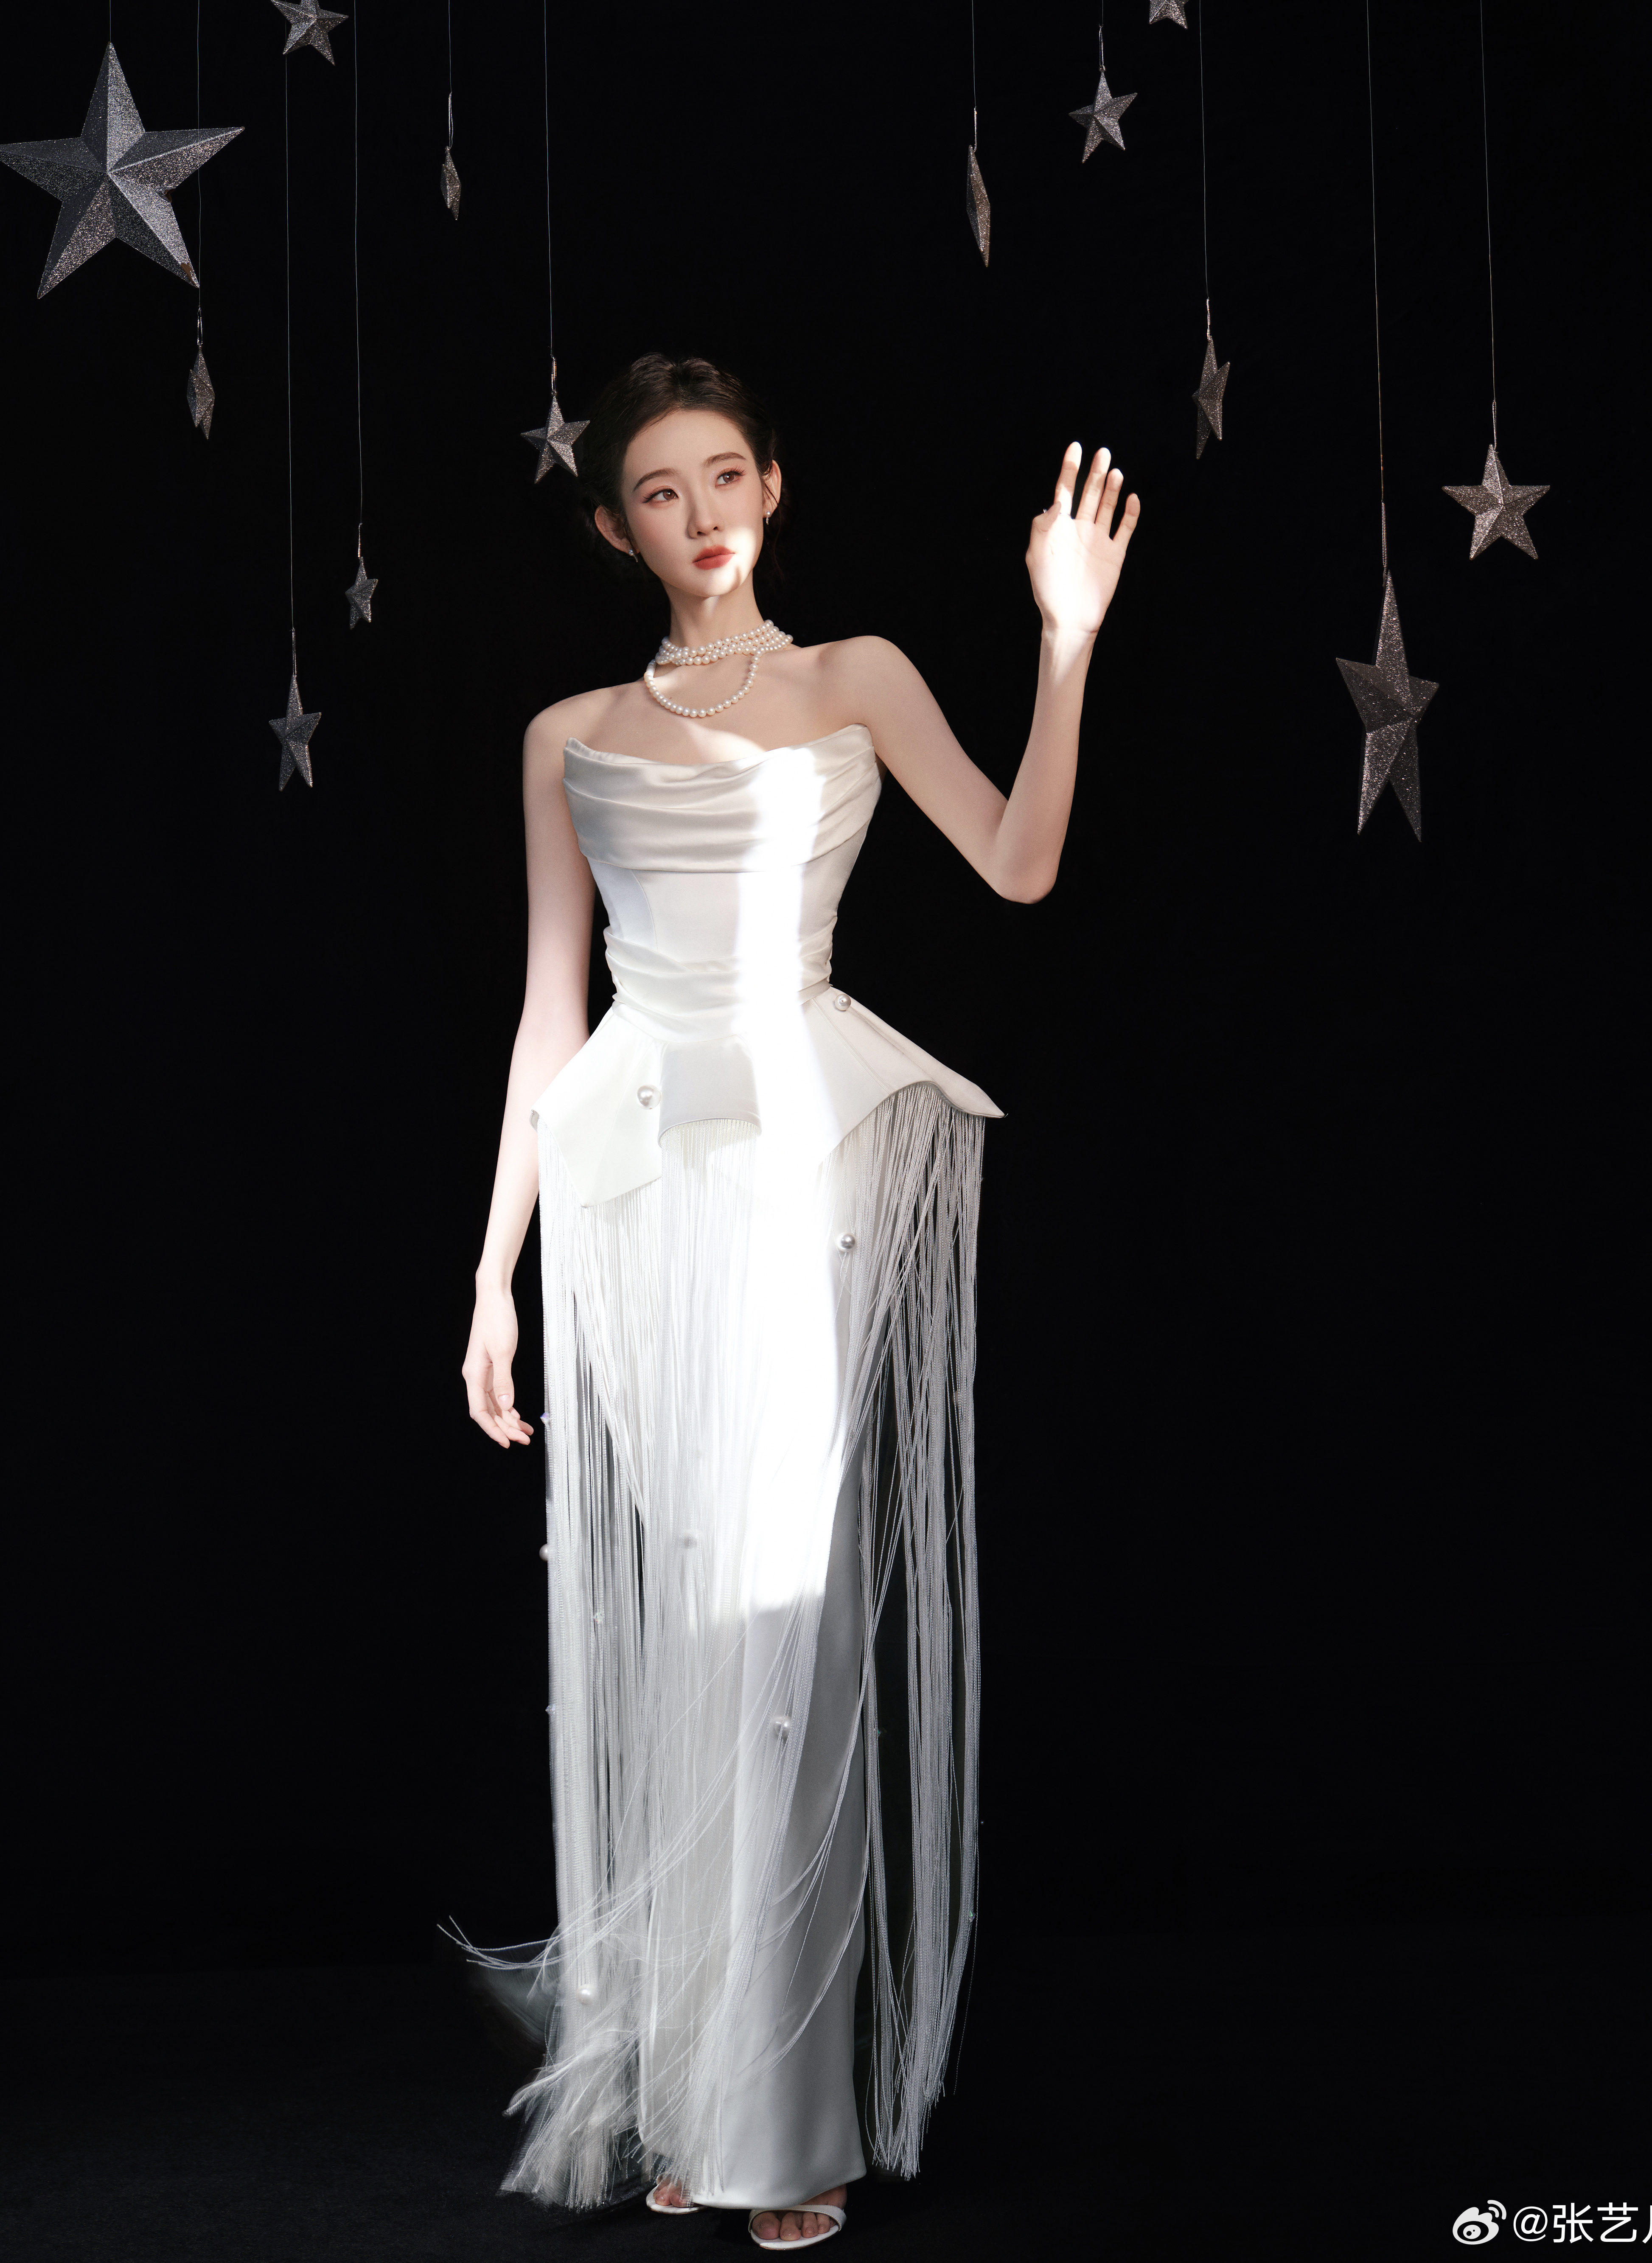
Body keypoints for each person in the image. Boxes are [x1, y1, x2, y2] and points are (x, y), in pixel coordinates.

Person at [461, 353, 1135, 2249]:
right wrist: (492, 1273)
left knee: (788, 1629)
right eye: (659, 491)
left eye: (725, 475)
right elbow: (548, 1015)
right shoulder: (568, 732)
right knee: (692, 1634)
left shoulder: (857, 677)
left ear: (773, 485)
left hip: (799, 1167)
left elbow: (1019, 864)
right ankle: (703, 2085)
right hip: (630, 1187)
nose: (701, 513)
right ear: (617, 529)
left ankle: (783, 2121)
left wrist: (1065, 642)